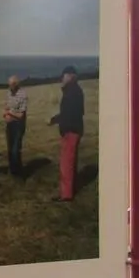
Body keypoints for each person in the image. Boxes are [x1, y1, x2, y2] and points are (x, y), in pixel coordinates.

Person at [49, 65, 85, 201]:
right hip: (74, 129)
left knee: (66, 163)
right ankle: (70, 189)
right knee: (70, 161)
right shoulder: (74, 90)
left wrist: (54, 119)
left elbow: (68, 114)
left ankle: (66, 194)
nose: (62, 78)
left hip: (71, 130)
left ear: (70, 76)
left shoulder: (72, 92)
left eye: (64, 75)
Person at [3, 75, 28, 178]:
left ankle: (19, 172)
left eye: (12, 85)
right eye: (9, 85)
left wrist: (10, 113)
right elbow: (7, 106)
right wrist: (5, 114)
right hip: (10, 124)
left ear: (16, 85)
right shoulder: (9, 93)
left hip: (18, 125)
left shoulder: (23, 95)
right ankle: (13, 171)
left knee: (15, 149)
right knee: (10, 149)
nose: (10, 87)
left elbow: (21, 116)